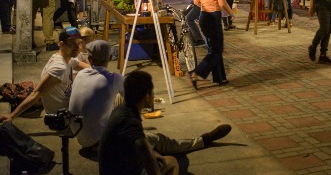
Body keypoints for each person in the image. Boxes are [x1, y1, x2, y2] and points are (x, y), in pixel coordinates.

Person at [99, 71, 232, 175]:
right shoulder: (130, 121)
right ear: (147, 96)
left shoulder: (123, 110)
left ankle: (203, 140)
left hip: (119, 164)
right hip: (121, 170)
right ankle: (202, 140)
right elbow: (142, 149)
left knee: (157, 140)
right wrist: (155, 165)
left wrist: (154, 155)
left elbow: (136, 146)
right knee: (172, 162)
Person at [0, 27, 89, 124]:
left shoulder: (65, 58)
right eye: (72, 44)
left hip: (68, 107)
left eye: (78, 43)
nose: (77, 47)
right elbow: (35, 94)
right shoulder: (59, 68)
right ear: (61, 44)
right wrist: (12, 116)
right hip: (63, 117)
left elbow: (88, 68)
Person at [69, 40, 125, 150]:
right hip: (99, 140)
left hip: (79, 135)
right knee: (122, 98)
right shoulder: (114, 78)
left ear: (90, 59)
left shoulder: (80, 74)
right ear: (110, 58)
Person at [188, 0, 235, 88]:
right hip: (213, 17)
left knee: (213, 48)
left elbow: (196, 1)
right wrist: (231, 13)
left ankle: (219, 78)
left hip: (203, 17)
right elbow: (222, 3)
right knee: (217, 50)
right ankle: (196, 73)